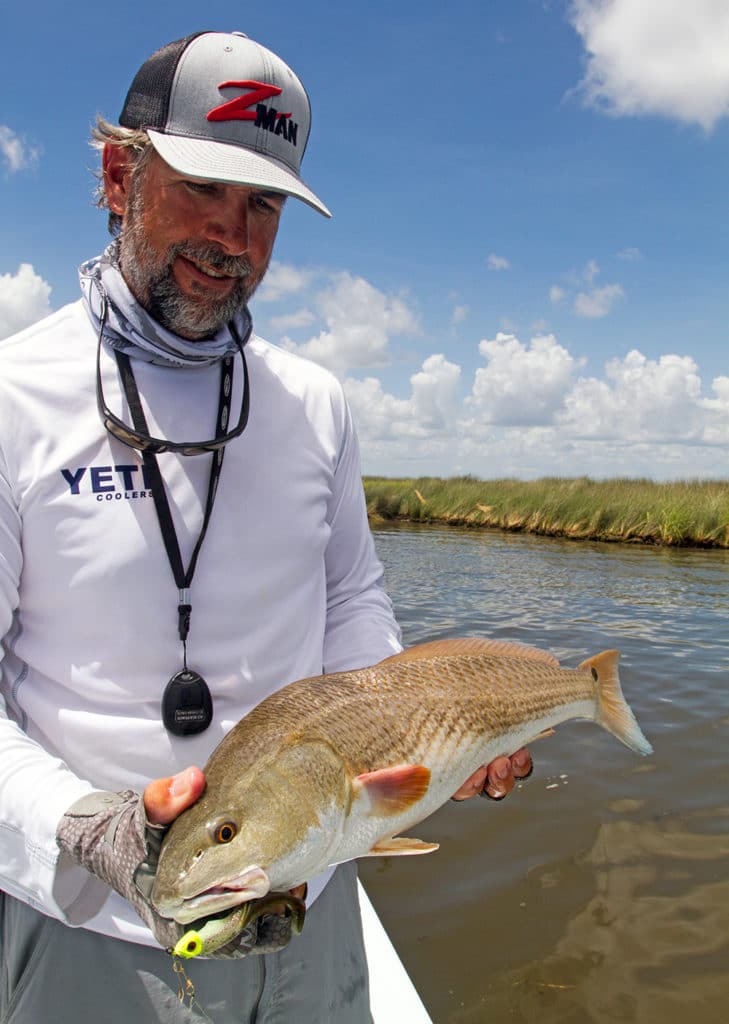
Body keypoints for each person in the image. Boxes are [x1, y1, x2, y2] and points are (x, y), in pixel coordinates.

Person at [0, 30, 532, 1024]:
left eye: (264, 204)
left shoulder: (315, 403)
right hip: (97, 932)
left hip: (308, 905)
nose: (233, 238)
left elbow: (352, 597)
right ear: (119, 172)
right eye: (204, 187)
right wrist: (78, 827)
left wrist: (411, 742)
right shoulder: (10, 398)